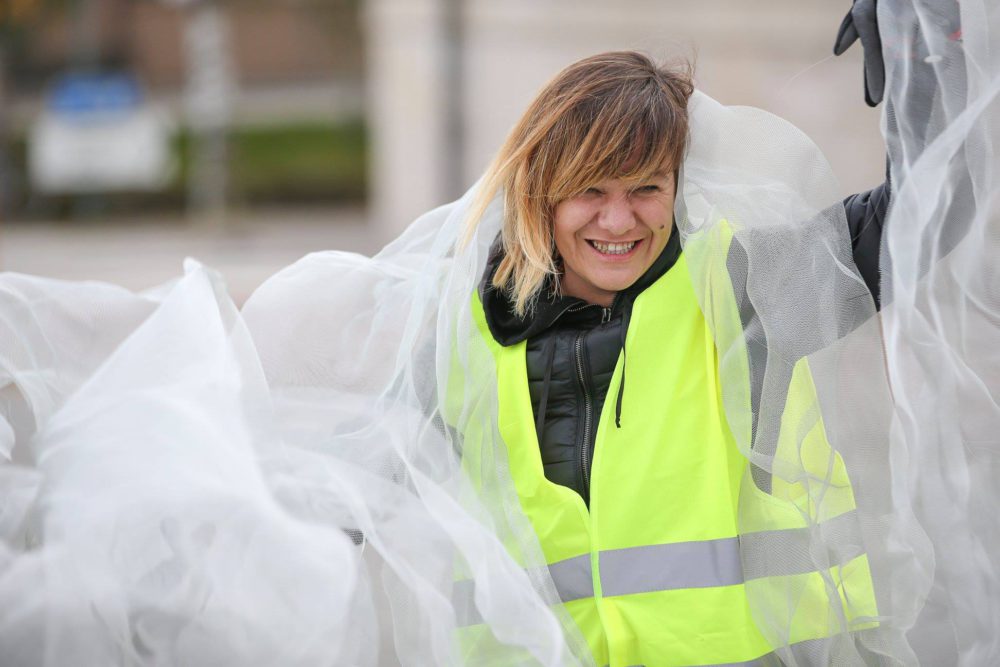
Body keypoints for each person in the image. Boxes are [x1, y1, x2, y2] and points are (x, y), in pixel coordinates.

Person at [457, 50, 887, 666]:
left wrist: (928, 47)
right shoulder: (463, 335)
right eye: (589, 190)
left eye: (646, 188)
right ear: (539, 191)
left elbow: (930, 207)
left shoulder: (743, 288)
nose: (618, 219)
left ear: (679, 189)